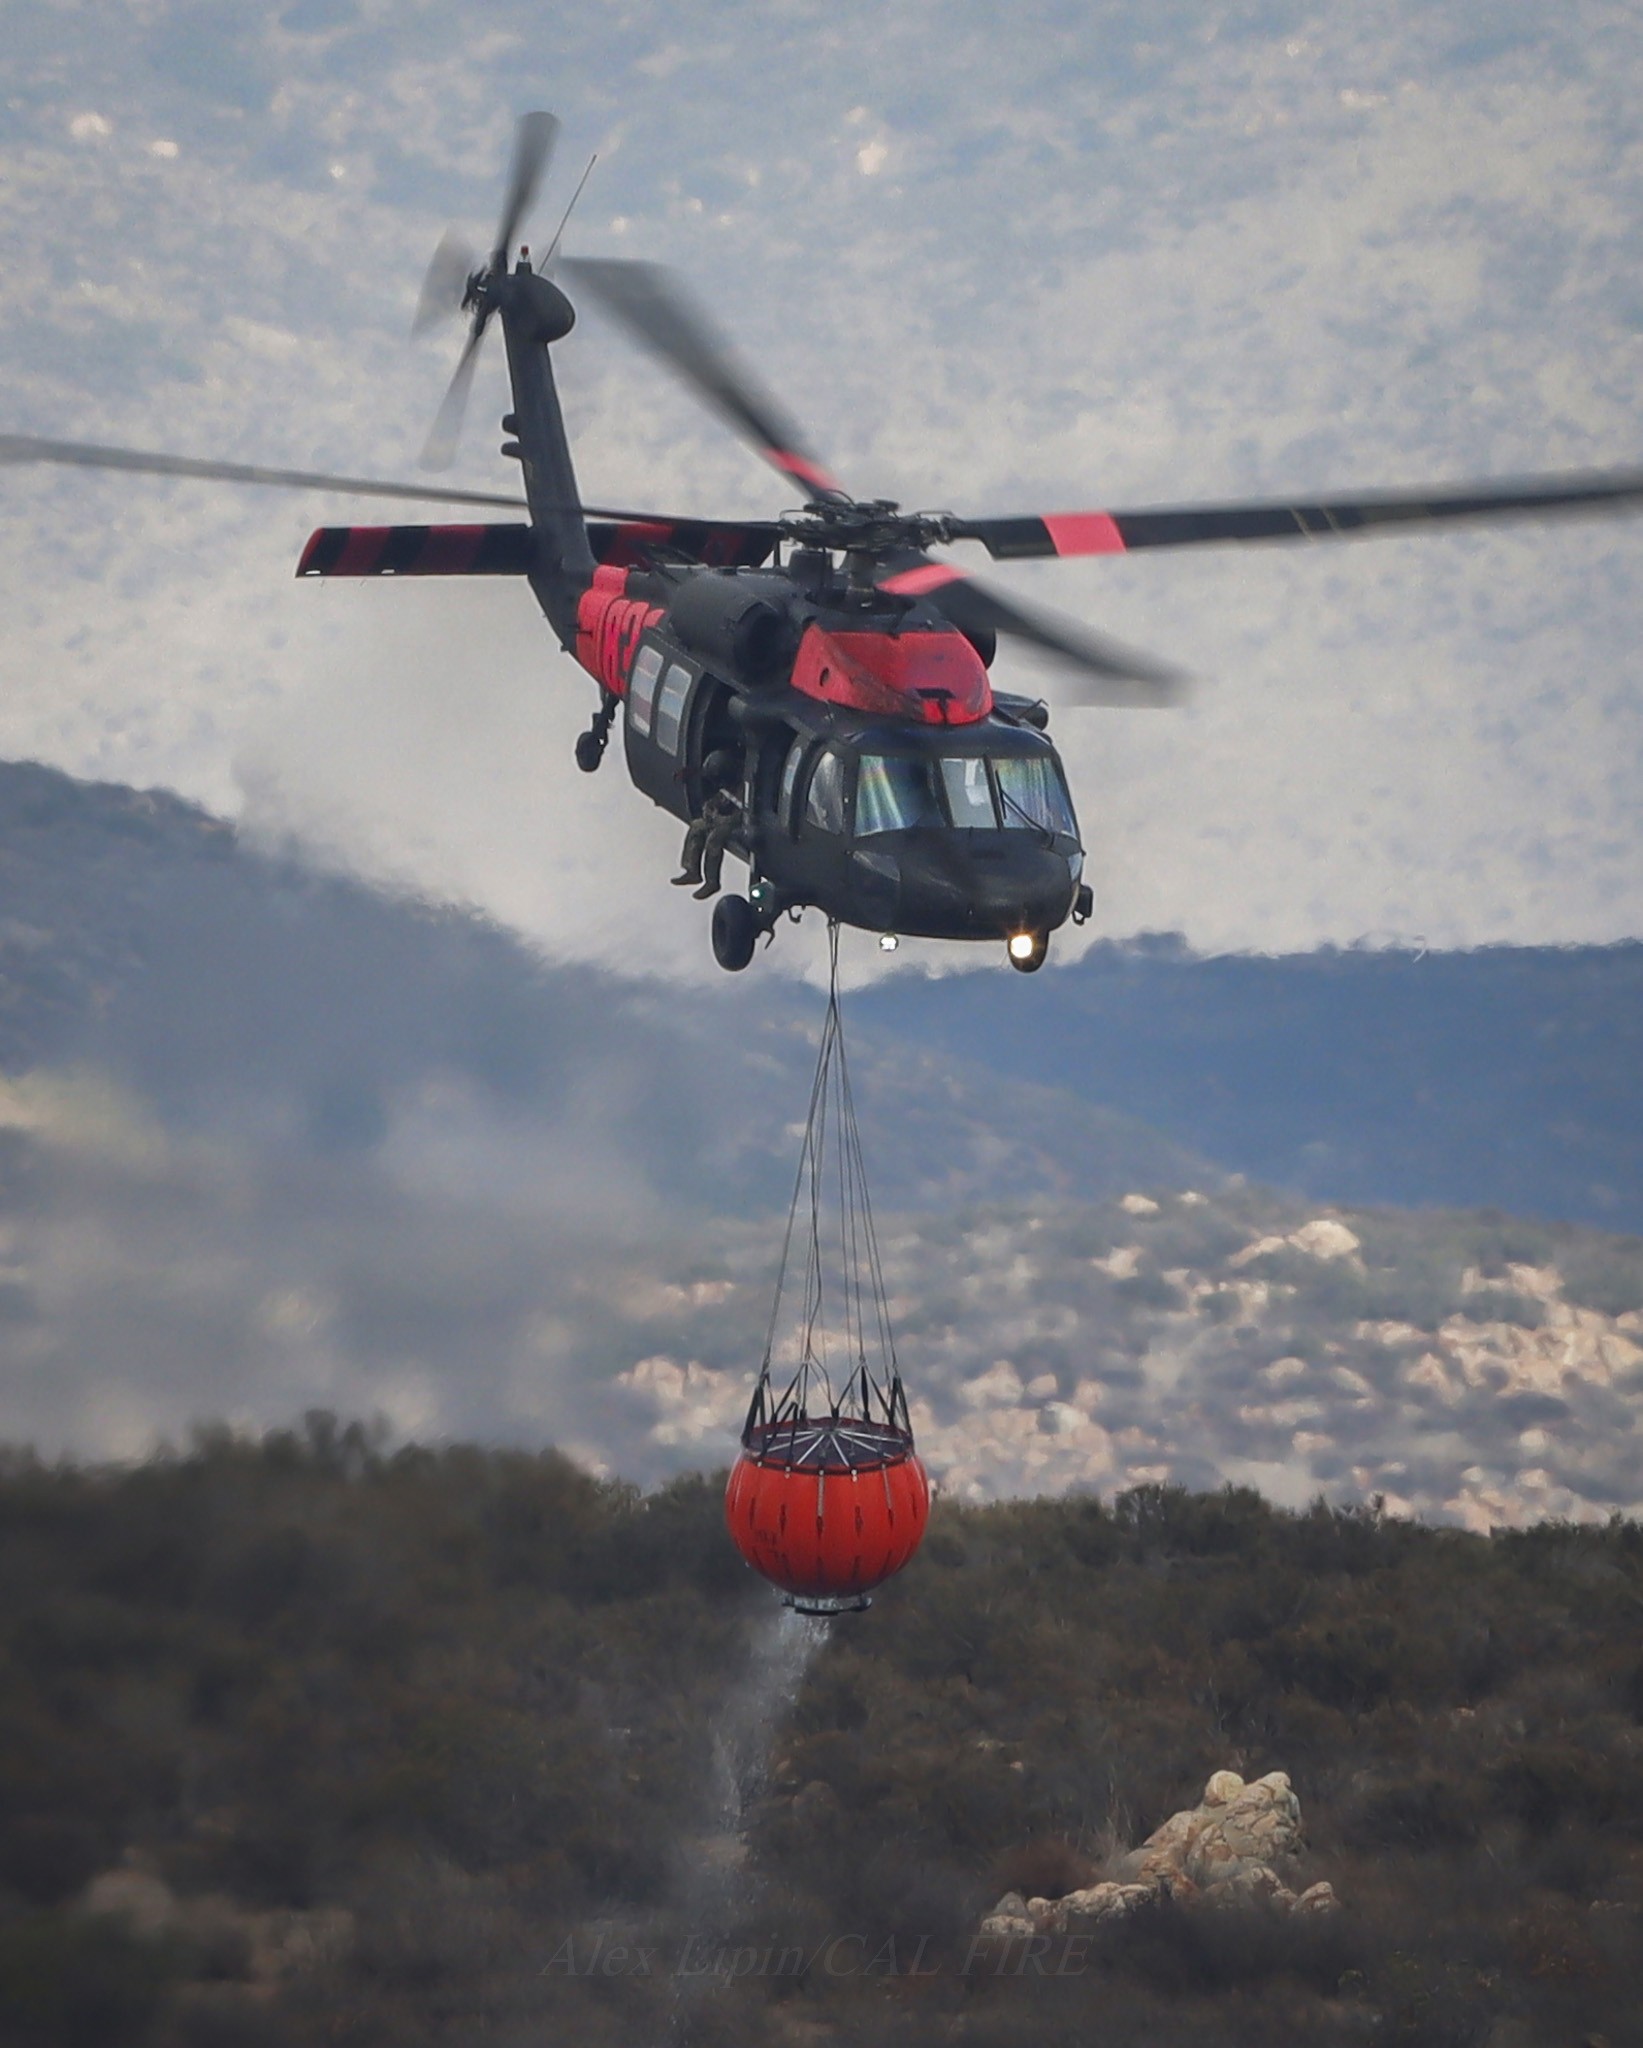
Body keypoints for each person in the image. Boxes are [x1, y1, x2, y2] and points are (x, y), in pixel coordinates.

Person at [672, 750, 744, 900]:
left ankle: (712, 881)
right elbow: (720, 799)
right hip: (722, 817)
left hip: (735, 822)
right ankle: (692, 871)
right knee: (697, 826)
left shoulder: (742, 787)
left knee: (713, 840)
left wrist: (717, 818)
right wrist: (710, 808)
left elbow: (741, 813)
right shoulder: (724, 784)